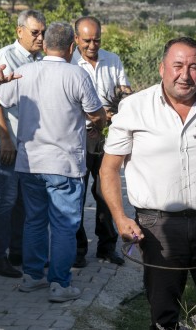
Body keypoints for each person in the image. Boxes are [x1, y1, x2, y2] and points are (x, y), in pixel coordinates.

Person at [99, 37, 196, 329]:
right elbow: (108, 170)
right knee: (163, 311)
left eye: (194, 67)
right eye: (178, 66)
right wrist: (120, 218)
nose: (185, 75)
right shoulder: (135, 107)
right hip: (158, 226)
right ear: (162, 68)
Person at [0, 22, 106, 302]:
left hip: (30, 163)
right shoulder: (77, 75)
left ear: (45, 46)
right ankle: (60, 284)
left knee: (34, 221)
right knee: (64, 225)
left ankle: (32, 278)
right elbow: (96, 114)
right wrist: (97, 123)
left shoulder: (24, 73)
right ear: (72, 47)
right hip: (65, 165)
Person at [72, 16, 132, 267]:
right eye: (87, 40)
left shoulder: (113, 59)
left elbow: (125, 92)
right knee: (77, 192)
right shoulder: (69, 62)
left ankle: (107, 247)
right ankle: (78, 250)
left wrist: (121, 102)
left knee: (106, 192)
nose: (92, 45)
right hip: (80, 135)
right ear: (76, 39)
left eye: (97, 39)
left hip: (108, 135)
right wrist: (95, 114)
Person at [0, 9, 46, 277]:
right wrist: (5, 139)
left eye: (43, 32)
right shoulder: (7, 57)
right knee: (5, 200)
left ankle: (17, 251)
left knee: (21, 202)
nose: (40, 38)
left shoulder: (38, 59)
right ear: (19, 31)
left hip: (26, 143)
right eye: (35, 32)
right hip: (7, 142)